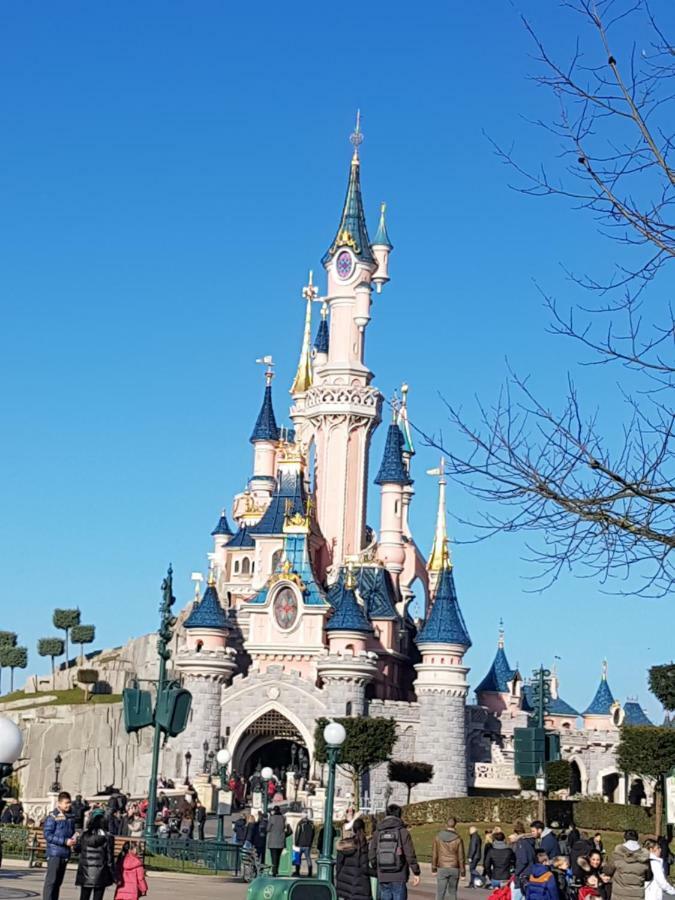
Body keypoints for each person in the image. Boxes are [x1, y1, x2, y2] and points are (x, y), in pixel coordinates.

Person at [369, 803, 421, 900]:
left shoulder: (377, 832)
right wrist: (416, 872)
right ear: (399, 815)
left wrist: (377, 868)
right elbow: (410, 854)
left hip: (383, 874)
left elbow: (371, 854)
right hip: (399, 875)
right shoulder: (403, 832)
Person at [75, 808, 115, 900]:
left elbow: (77, 849)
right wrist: (113, 875)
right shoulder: (108, 837)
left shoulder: (84, 835)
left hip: (85, 872)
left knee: (84, 897)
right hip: (101, 873)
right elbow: (110, 858)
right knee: (98, 897)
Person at [43, 791, 77, 900]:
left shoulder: (70, 817)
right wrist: (64, 841)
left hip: (65, 853)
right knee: (51, 882)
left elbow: (71, 832)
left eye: (69, 802)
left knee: (58, 883)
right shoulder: (53, 817)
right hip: (55, 853)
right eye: (66, 803)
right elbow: (48, 835)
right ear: (59, 803)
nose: (68, 805)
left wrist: (74, 838)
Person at [603, 830, 650, 900]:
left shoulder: (617, 855)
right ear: (637, 839)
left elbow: (608, 871)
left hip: (619, 895)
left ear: (624, 839)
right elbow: (648, 877)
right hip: (637, 895)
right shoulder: (644, 857)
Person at [431, 817, 466, 900]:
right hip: (454, 867)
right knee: (452, 892)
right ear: (455, 825)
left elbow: (434, 854)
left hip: (442, 866)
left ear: (446, 824)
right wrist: (463, 873)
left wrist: (433, 868)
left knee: (440, 892)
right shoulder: (458, 839)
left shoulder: (438, 837)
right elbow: (461, 857)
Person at [336, 818, 371, 900]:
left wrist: (339, 877)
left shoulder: (345, 845)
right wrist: (376, 873)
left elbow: (339, 864)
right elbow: (364, 868)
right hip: (360, 885)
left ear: (353, 829)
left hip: (345, 882)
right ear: (363, 828)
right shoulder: (363, 844)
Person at [267, 806, 290, 877]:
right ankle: (276, 870)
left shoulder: (272, 818)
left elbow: (268, 829)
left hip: (273, 840)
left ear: (274, 811)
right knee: (278, 856)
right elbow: (285, 827)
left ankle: (274, 871)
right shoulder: (283, 818)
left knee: (273, 856)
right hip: (281, 840)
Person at [293, 811, 315, 877]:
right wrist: (310, 842)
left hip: (300, 843)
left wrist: (296, 843)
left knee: (298, 858)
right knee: (308, 858)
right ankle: (310, 872)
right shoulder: (311, 824)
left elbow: (297, 833)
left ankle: (297, 871)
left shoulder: (300, 823)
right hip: (307, 844)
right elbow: (313, 834)